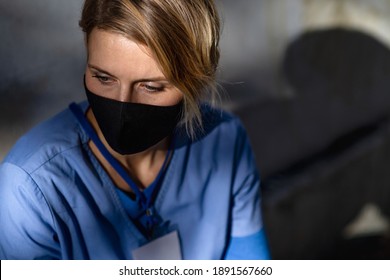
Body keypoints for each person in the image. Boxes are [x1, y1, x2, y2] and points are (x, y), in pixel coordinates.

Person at [0, 0, 269, 260]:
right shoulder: (30, 187)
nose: (123, 104)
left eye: (151, 87)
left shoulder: (224, 141)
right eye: (103, 78)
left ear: (196, 78)